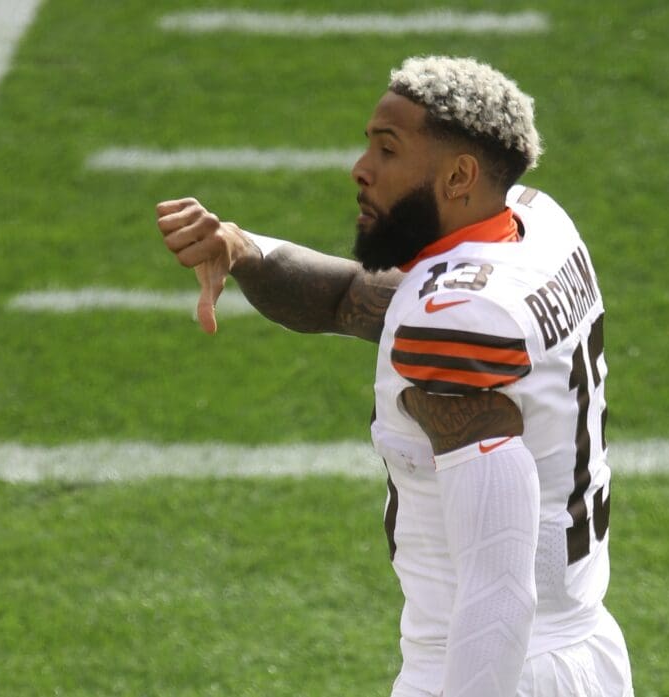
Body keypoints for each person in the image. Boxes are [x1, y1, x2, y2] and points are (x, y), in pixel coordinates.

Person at [156, 55, 634, 697]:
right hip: (581, 645)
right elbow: (346, 299)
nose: (362, 169)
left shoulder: (460, 320)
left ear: (459, 175)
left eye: (388, 150)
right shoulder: (532, 228)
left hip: (495, 667)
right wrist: (244, 249)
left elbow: (499, 591)